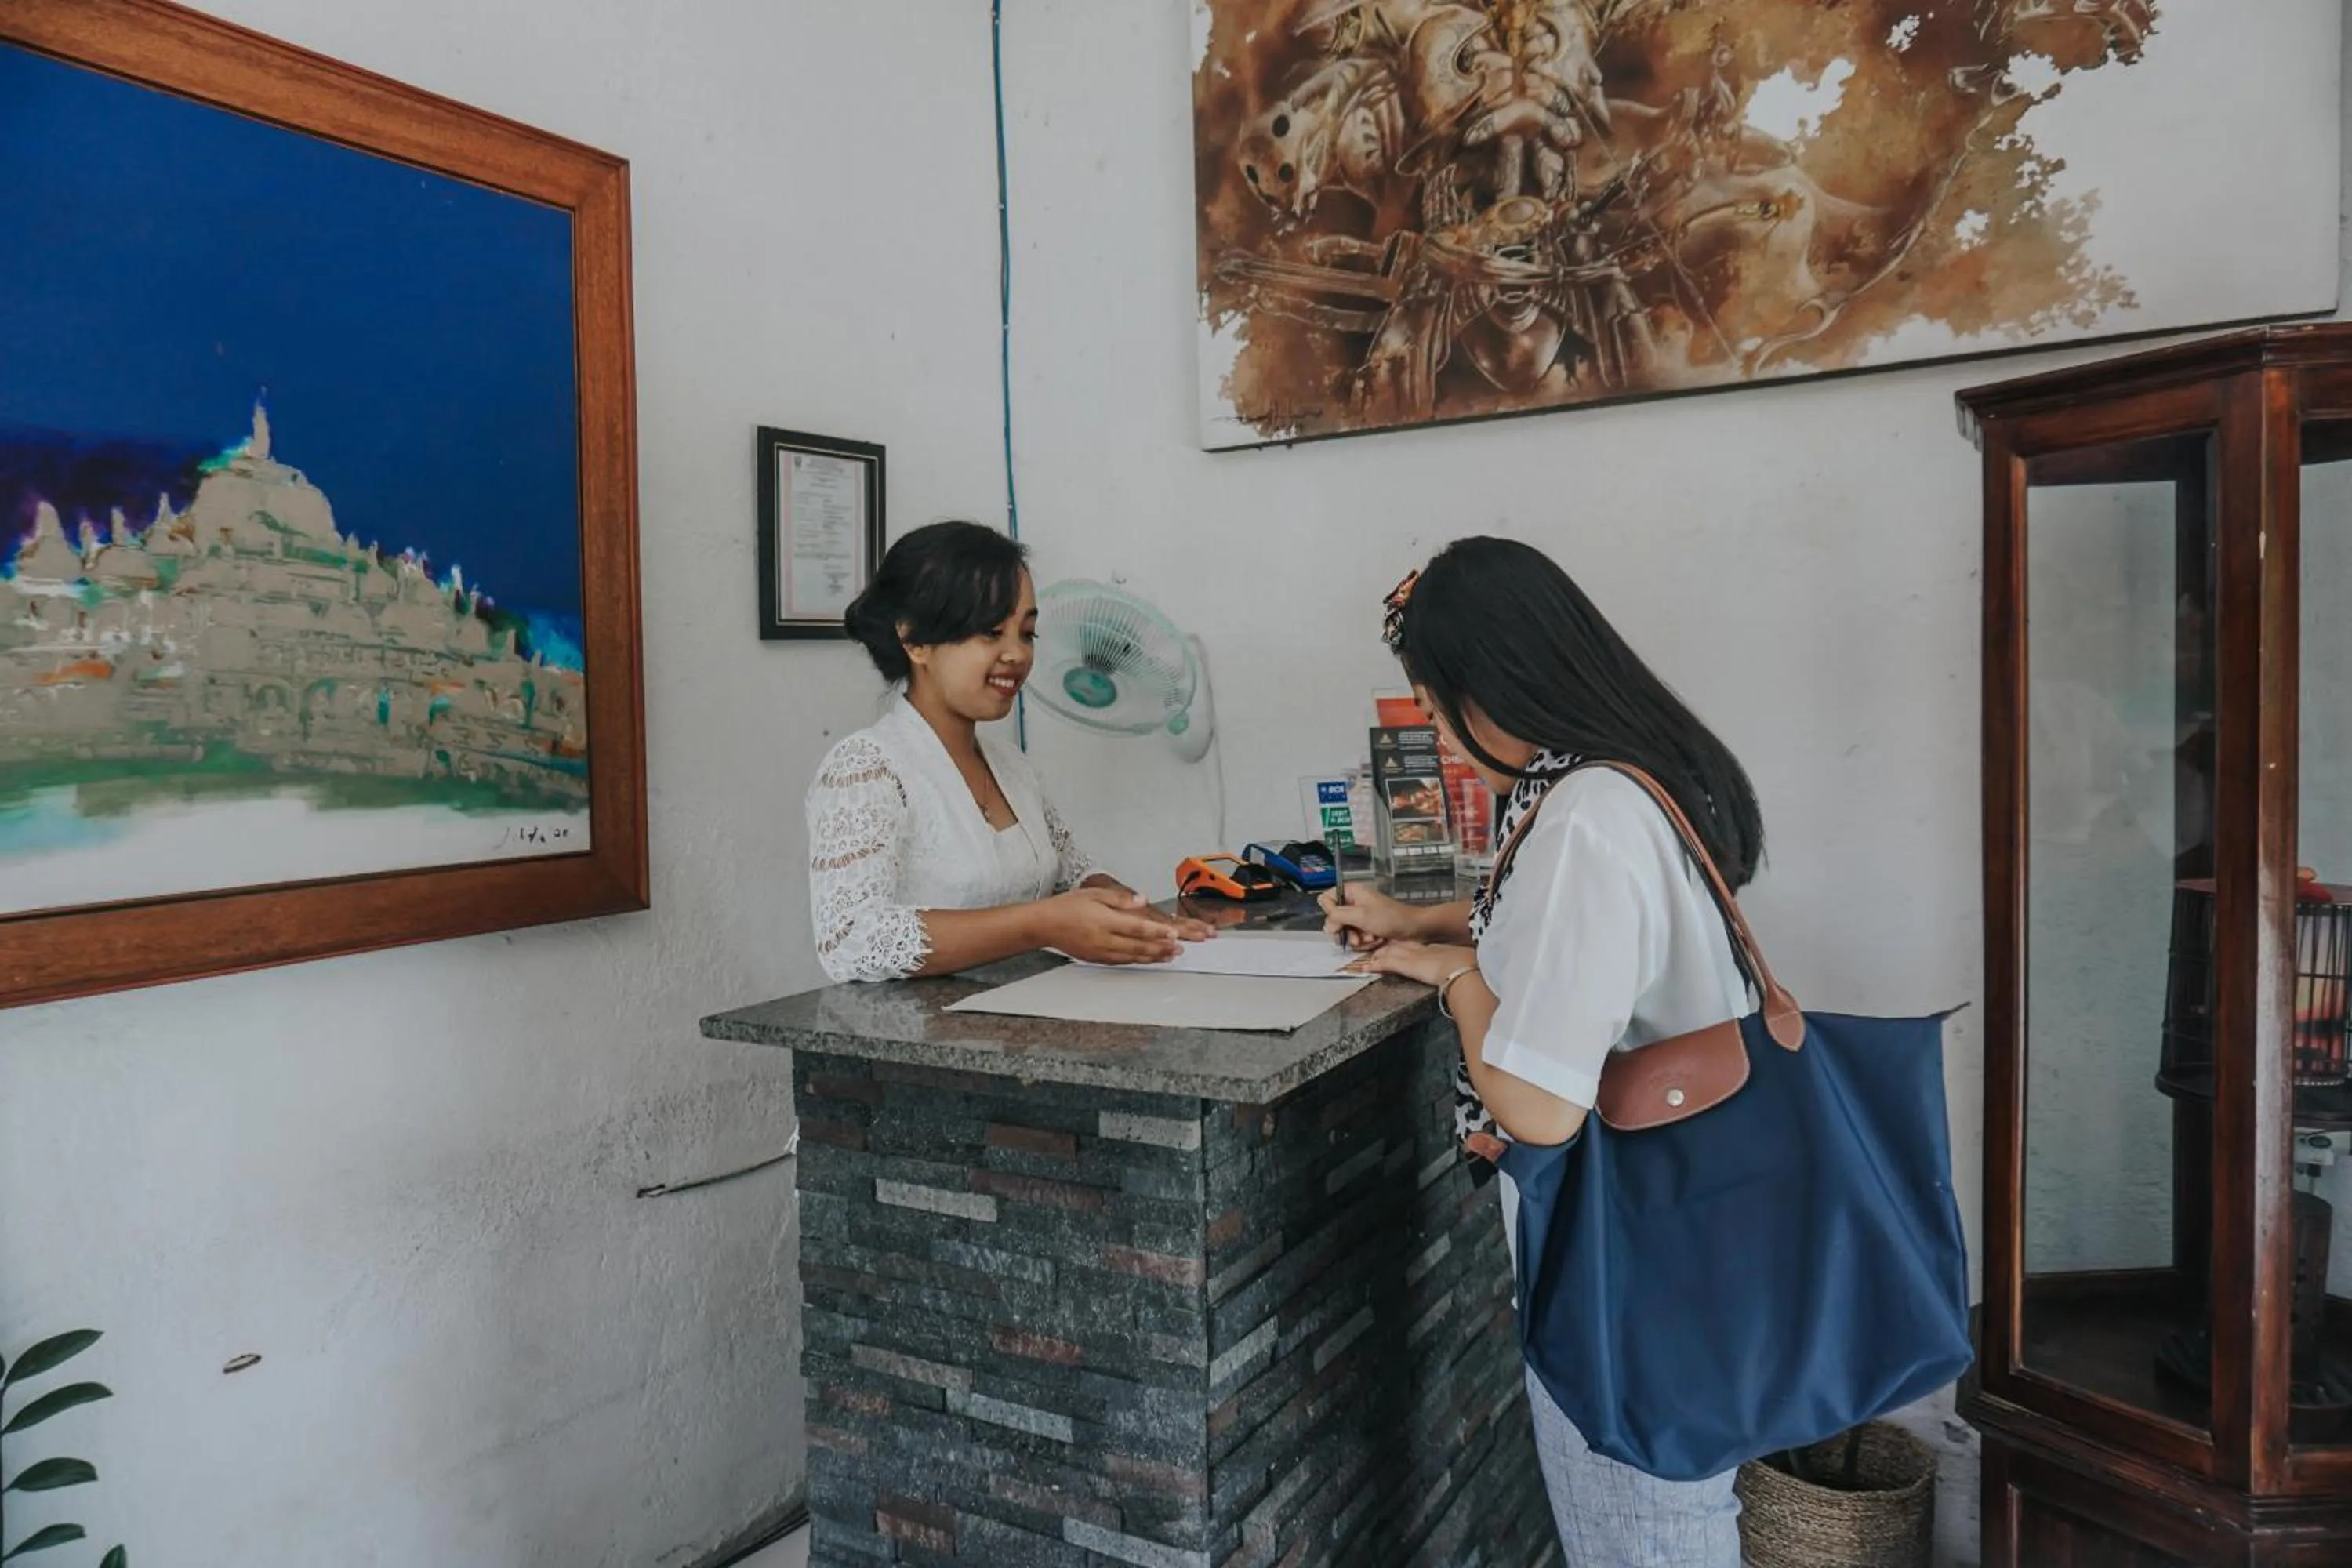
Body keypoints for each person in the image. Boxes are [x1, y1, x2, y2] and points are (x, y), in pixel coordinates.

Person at [1322, 535, 1762, 1566]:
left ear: (1488, 685)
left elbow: (1537, 1106)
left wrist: (1458, 982)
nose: (1435, 731)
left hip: (1629, 1274)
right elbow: (1585, 959)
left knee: (1645, 1542)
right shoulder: (1626, 783)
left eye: (1431, 706)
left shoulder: (1583, 820)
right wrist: (1432, 935)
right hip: (1693, 1238)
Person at [805, 521, 1209, 983]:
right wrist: (1042, 923)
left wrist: (1133, 916)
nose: (1016, 655)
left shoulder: (1011, 766)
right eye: (991, 632)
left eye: (1027, 633)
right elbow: (851, 940)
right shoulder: (866, 767)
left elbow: (1069, 875)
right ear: (914, 640)